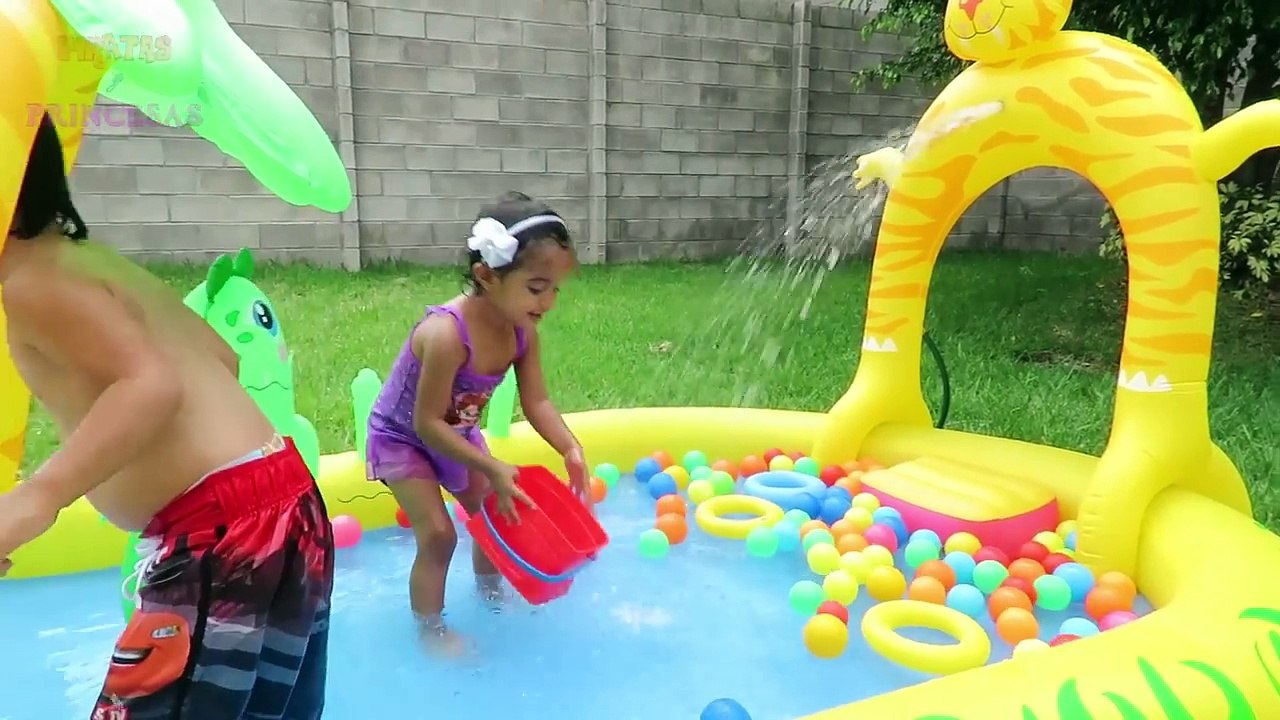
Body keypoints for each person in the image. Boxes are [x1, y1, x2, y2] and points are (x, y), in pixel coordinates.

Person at [0, 112, 334, 719]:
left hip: (220, 537)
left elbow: (152, 385)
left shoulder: (27, 282)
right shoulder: (88, 261)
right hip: (288, 505)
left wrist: (40, 495)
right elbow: (222, 358)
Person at [365, 190, 588, 652]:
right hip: (403, 439)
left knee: (496, 515)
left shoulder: (521, 333)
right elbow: (427, 423)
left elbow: (538, 402)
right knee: (440, 535)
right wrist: (490, 467)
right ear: (486, 275)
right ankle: (431, 631)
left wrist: (570, 447)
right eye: (535, 287)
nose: (547, 302)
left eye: (555, 289)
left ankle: (491, 596)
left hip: (456, 434)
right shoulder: (446, 334)